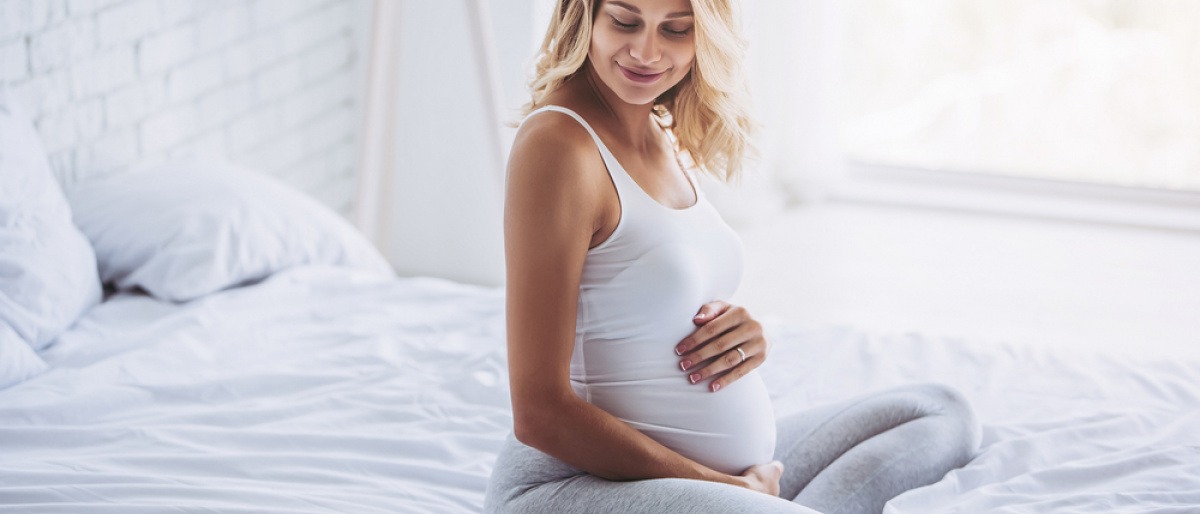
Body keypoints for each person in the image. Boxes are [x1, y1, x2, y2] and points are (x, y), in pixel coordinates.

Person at [485, 0, 980, 512]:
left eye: (676, 30)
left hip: (711, 478)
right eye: (624, 22)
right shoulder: (559, 144)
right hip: (575, 484)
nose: (646, 51)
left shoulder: (658, 126)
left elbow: (648, 300)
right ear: (583, 16)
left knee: (940, 412)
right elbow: (539, 412)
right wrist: (727, 490)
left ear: (707, 37)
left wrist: (745, 337)